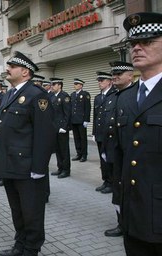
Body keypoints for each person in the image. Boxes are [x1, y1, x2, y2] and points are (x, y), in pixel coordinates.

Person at [0, 52, 55, 256]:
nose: (7, 68)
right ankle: (19, 245)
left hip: (27, 168)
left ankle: (31, 249)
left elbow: (44, 136)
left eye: (12, 66)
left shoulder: (37, 95)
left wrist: (39, 169)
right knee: (17, 210)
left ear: (25, 71)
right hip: (10, 165)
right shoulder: (10, 94)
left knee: (32, 213)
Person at [114, 12, 162, 256]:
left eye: (148, 41)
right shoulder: (126, 97)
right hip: (133, 213)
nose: (138, 48)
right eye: (133, 44)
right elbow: (122, 156)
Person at [101, 61, 134, 238]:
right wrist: (105, 148)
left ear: (131, 75)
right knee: (117, 188)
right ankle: (121, 223)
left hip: (130, 153)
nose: (115, 76)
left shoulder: (135, 94)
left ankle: (130, 223)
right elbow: (109, 125)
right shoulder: (112, 96)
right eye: (113, 74)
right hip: (114, 151)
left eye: (119, 74)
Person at [93, 72, 115, 194]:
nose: (99, 83)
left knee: (109, 158)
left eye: (102, 80)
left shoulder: (114, 95)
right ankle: (105, 180)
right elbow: (96, 116)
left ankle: (112, 182)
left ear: (109, 81)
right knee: (102, 159)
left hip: (109, 134)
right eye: (99, 81)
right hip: (100, 133)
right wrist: (94, 132)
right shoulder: (98, 97)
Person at [50, 78, 72, 179]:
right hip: (54, 128)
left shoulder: (65, 96)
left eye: (54, 84)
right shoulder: (52, 97)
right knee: (58, 149)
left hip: (62, 128)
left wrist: (64, 127)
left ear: (59, 85)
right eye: (52, 84)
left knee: (64, 150)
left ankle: (66, 170)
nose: (52, 86)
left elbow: (67, 113)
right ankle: (60, 168)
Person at [70, 78, 91, 162]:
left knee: (83, 138)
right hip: (74, 120)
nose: (75, 85)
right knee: (76, 138)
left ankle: (84, 155)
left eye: (76, 84)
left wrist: (86, 120)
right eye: (74, 84)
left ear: (81, 85)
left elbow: (87, 108)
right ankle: (78, 153)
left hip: (82, 120)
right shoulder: (72, 95)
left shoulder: (85, 94)